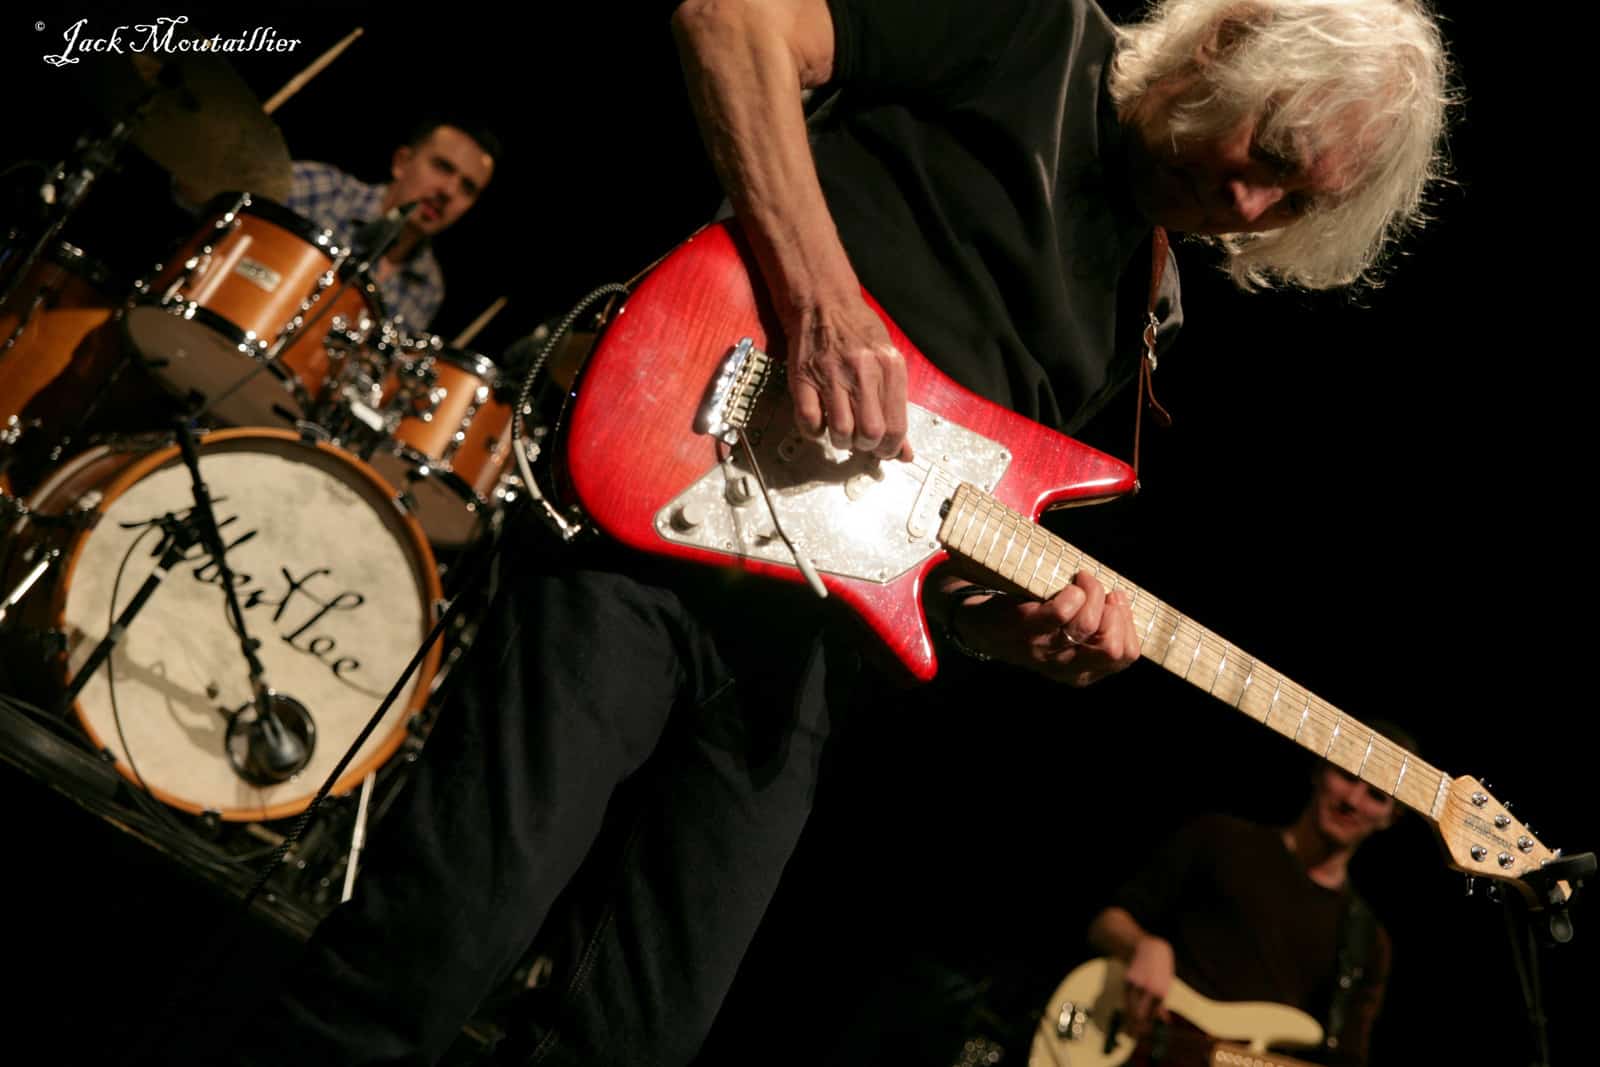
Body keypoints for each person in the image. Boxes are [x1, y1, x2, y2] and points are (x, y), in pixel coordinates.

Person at [207, 2, 1451, 1064]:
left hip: (805, 668)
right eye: (1264, 152)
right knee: (430, 947)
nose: (1249, 202)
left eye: (1293, 200)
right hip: (667, 507)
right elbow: (732, 21)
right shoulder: (1033, 30)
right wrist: (818, 301)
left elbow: (939, 538)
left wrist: (1019, 631)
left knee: (636, 1034)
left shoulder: (1145, 304)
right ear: (1226, 42)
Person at [1085, 732, 1416, 1065]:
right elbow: (1106, 922)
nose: (1353, 800)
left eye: (1376, 795)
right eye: (1347, 775)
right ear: (1320, 769)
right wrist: (1142, 945)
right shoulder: (1218, 837)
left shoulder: (1368, 943)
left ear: (1392, 817)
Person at [285, 116, 499, 332]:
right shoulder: (323, 189)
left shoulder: (429, 289)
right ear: (402, 162)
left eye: (467, 188)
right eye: (443, 167)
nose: (449, 191)